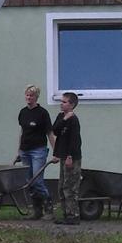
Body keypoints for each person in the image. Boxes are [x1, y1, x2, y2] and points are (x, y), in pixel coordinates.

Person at [16, 84, 55, 220]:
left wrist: (56, 152)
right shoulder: (23, 112)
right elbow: (22, 132)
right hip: (25, 151)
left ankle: (49, 208)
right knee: (29, 181)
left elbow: (49, 133)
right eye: (27, 95)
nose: (29, 98)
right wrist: (19, 151)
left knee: (37, 180)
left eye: (31, 95)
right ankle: (36, 210)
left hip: (38, 150)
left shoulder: (42, 113)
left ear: (36, 97)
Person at [50, 91, 81, 225]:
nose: (61, 104)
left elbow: (75, 141)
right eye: (61, 101)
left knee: (69, 187)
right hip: (62, 156)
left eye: (64, 102)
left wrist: (69, 156)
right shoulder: (61, 117)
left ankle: (73, 214)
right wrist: (64, 119)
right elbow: (55, 130)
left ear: (72, 105)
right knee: (61, 186)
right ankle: (65, 213)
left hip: (71, 157)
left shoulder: (74, 120)